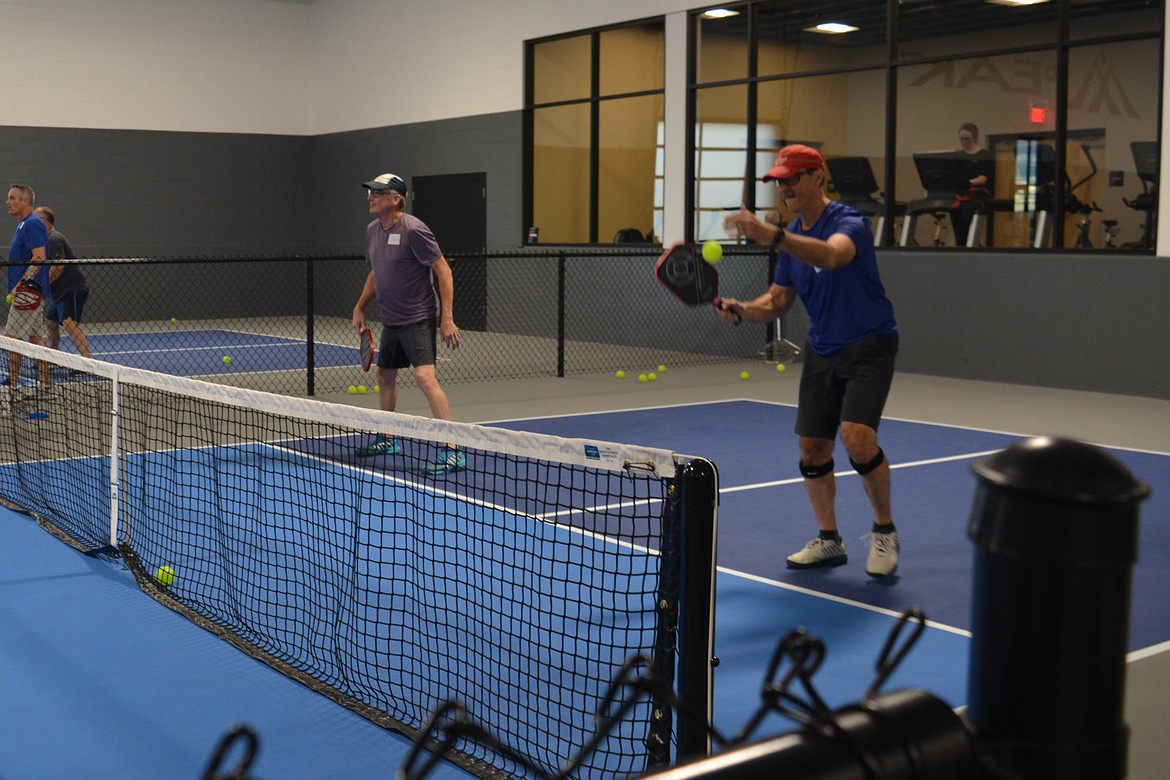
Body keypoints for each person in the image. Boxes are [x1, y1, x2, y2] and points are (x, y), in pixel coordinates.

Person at [721, 145, 901, 577]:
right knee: (812, 448)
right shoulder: (790, 245)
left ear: (817, 178)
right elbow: (778, 301)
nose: (784, 189)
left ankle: (884, 530)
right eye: (779, 182)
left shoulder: (850, 223)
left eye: (791, 179)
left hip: (869, 345)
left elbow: (832, 256)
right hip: (823, 349)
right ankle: (829, 540)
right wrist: (744, 309)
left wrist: (769, 234)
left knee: (857, 438)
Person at [352, 172, 465, 475]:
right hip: (392, 319)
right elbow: (376, 273)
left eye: (378, 192)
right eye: (370, 192)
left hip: (418, 317)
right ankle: (388, 437)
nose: (371, 197)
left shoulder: (415, 230)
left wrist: (447, 318)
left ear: (396, 199)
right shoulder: (373, 230)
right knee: (384, 374)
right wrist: (360, 306)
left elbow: (443, 271)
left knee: (425, 377)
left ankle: (452, 449)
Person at [5, 184, 52, 389]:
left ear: (25, 201)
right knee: (35, 339)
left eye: (12, 198)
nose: (8, 201)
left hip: (28, 294)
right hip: (28, 293)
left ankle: (12, 386)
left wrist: (22, 286)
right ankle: (46, 385)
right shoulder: (23, 224)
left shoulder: (32, 223)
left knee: (11, 338)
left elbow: (39, 257)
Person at [34, 207, 92, 359]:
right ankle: (53, 357)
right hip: (59, 291)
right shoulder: (44, 241)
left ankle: (87, 362)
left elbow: (59, 266)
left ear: (43, 221)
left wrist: (44, 286)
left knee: (68, 322)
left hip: (72, 289)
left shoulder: (54, 239)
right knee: (50, 321)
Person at [952, 122, 995, 246]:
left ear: (974, 138)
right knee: (960, 233)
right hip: (960, 196)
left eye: (967, 139)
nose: (964, 142)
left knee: (970, 228)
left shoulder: (985, 156)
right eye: (961, 138)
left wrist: (967, 183)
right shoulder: (958, 156)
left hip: (976, 194)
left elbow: (983, 178)